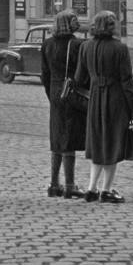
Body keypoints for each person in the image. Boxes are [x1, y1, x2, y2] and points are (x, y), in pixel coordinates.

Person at [74, 9, 133, 203]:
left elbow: (79, 79)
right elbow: (126, 80)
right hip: (116, 100)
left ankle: (92, 188)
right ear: (111, 27)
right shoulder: (120, 49)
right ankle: (106, 190)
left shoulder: (86, 47)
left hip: (95, 99)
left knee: (98, 143)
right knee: (112, 144)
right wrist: (132, 107)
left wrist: (93, 85)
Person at [40, 10, 86, 199]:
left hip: (54, 91)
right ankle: (69, 185)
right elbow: (82, 73)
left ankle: (53, 184)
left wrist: (52, 95)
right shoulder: (77, 45)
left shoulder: (47, 44)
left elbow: (44, 75)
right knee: (69, 139)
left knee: (56, 138)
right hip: (70, 92)